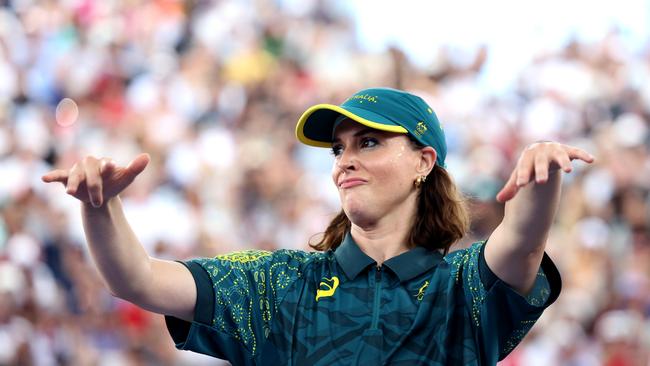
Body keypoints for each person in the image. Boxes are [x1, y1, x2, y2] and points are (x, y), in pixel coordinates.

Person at [42, 87, 594, 365]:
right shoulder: (281, 282)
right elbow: (138, 280)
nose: (344, 161)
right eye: (338, 149)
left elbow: (520, 242)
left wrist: (542, 176)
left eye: (369, 142)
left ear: (425, 162)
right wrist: (99, 206)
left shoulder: (461, 285)